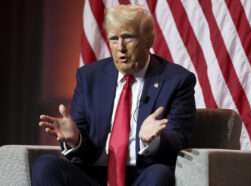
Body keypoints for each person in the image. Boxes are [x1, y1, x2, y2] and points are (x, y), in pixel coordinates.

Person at [32, 4, 196, 186]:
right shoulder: (89, 77)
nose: (121, 48)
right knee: (45, 166)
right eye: (114, 39)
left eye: (128, 38)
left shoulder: (176, 80)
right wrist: (76, 139)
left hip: (142, 174)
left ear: (147, 41)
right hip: (95, 176)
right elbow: (84, 153)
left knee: (159, 174)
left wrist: (154, 141)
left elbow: (179, 138)